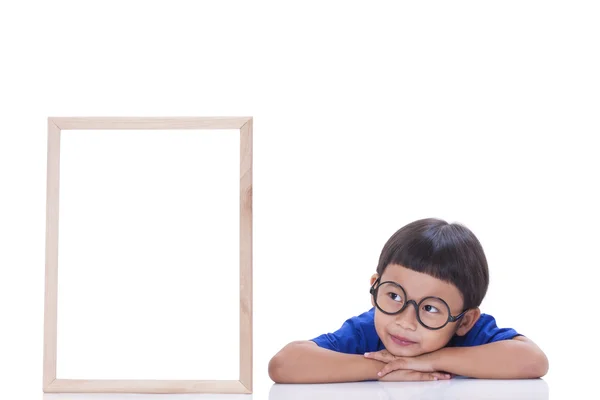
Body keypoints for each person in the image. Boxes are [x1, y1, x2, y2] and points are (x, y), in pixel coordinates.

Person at [268, 218, 549, 383]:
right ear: (375, 286)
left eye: (429, 308)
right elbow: (284, 364)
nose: (404, 321)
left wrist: (431, 360)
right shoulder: (367, 329)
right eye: (393, 296)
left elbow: (534, 361)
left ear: (464, 321)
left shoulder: (472, 334)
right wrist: (384, 368)